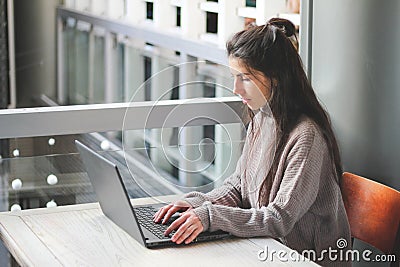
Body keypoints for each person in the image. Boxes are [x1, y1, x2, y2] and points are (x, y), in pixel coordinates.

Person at [154, 18, 351, 266]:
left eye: (245, 77)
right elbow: (238, 187)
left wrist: (211, 216)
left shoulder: (306, 136)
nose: (236, 88)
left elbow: (279, 219)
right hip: (265, 250)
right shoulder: (263, 119)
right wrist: (196, 204)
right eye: (234, 76)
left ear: (275, 77)